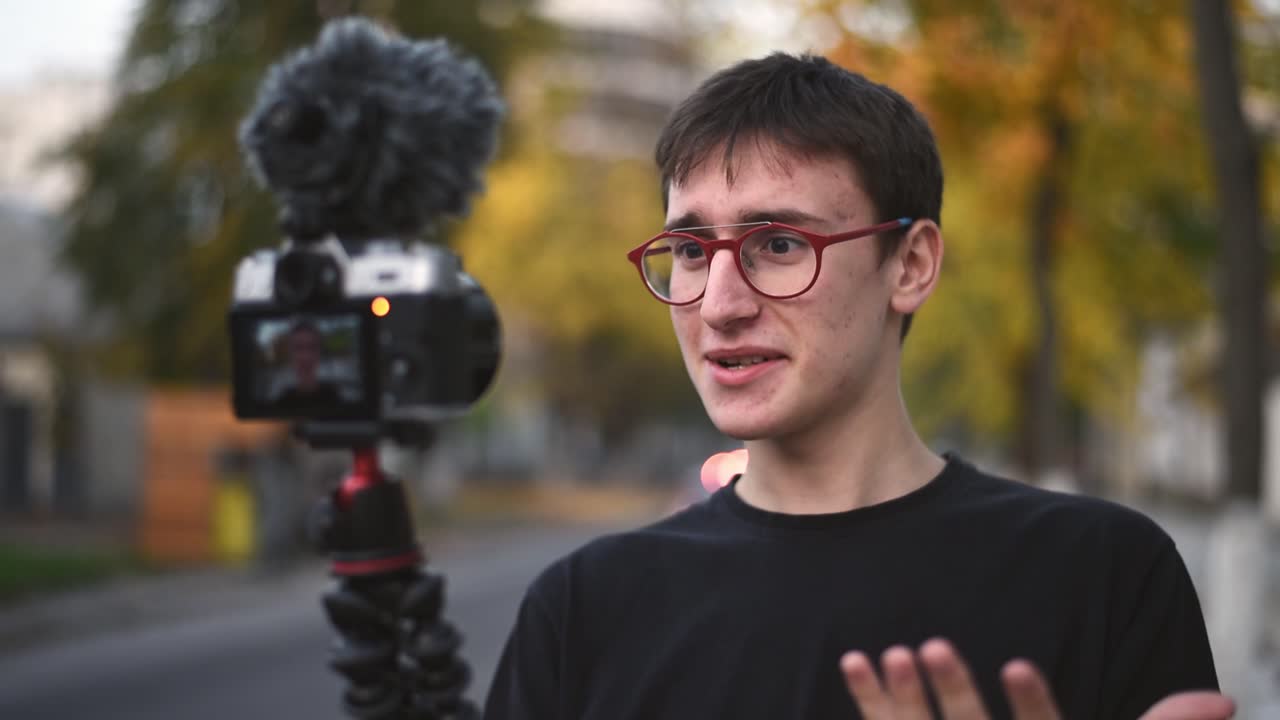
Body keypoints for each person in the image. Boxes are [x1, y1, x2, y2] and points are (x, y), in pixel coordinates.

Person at [483, 53, 1231, 719]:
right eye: (688, 249)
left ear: (909, 266)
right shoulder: (584, 613)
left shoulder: (1100, 579)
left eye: (777, 244)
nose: (718, 303)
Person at [274, 320, 343, 409]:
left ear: (319, 352)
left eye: (312, 347)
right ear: (290, 353)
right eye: (298, 348)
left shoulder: (334, 397)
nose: (306, 357)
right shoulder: (281, 401)